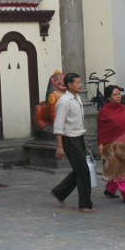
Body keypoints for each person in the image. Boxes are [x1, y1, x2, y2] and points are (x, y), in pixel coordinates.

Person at [50, 73, 95, 213]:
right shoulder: (64, 101)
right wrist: (60, 147)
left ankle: (59, 192)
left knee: (79, 169)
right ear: (69, 85)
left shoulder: (77, 98)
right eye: (77, 83)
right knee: (83, 171)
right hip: (69, 139)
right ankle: (85, 204)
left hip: (79, 137)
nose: (80, 85)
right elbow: (58, 125)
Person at [96, 84, 125, 203]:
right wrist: (100, 145)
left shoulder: (123, 108)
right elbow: (102, 131)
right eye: (115, 95)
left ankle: (110, 190)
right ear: (108, 97)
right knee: (120, 169)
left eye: (119, 94)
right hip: (111, 147)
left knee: (117, 169)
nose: (118, 96)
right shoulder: (104, 112)